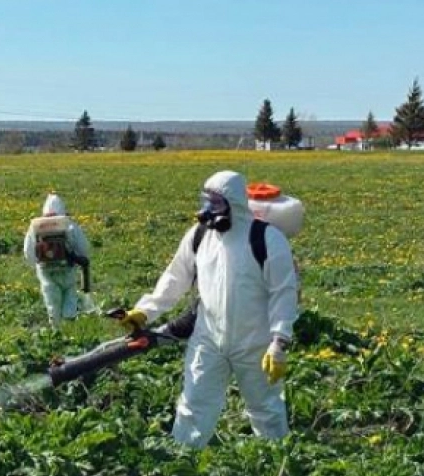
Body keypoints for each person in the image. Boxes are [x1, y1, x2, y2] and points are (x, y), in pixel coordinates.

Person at [117, 170, 299, 448]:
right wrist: (145, 311)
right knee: (193, 406)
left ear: (234, 204)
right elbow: (175, 278)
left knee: (266, 410)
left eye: (216, 203)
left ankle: (276, 465)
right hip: (208, 339)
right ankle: (183, 465)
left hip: (255, 343)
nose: (208, 210)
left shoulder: (267, 239)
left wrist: (279, 341)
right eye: (207, 201)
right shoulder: (199, 236)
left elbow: (283, 293)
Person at [23, 192, 92, 327]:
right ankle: (70, 325)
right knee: (70, 295)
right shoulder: (70, 225)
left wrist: (36, 264)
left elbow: (28, 251)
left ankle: (56, 331)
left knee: (52, 302)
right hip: (67, 269)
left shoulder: (36, 227)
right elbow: (83, 247)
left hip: (46, 272)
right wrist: (80, 258)